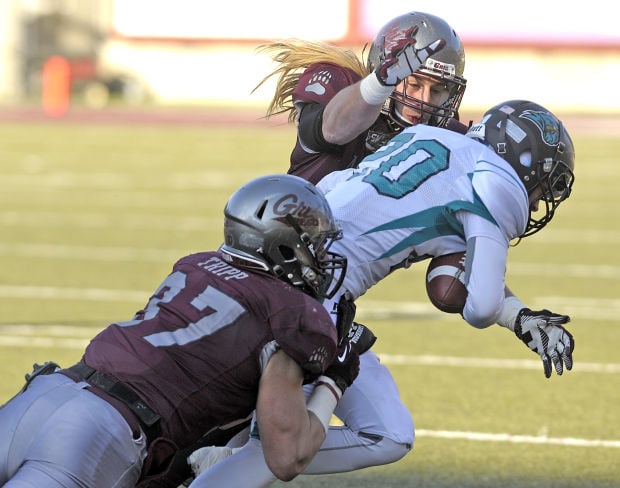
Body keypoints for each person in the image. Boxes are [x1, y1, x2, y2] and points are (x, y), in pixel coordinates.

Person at [189, 99, 576, 487]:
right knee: (368, 436)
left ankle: (216, 457)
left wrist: (521, 316)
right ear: (524, 161)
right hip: (314, 301)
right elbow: (480, 305)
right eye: (544, 186)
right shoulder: (499, 182)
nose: (540, 201)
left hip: (279, 264)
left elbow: (331, 188)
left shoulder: (424, 135)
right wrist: (510, 314)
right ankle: (229, 460)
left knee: (260, 420)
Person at [0, 174, 368, 487]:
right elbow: (287, 456)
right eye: (315, 243)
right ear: (284, 244)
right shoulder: (290, 313)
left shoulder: (196, 266)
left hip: (45, 394)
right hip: (96, 433)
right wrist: (334, 380)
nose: (321, 255)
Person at [253, 11, 469, 185]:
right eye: (413, 84)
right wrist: (377, 86)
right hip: (307, 231)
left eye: (437, 90)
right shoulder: (343, 89)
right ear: (383, 68)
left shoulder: (448, 136)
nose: (425, 101)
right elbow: (333, 129)